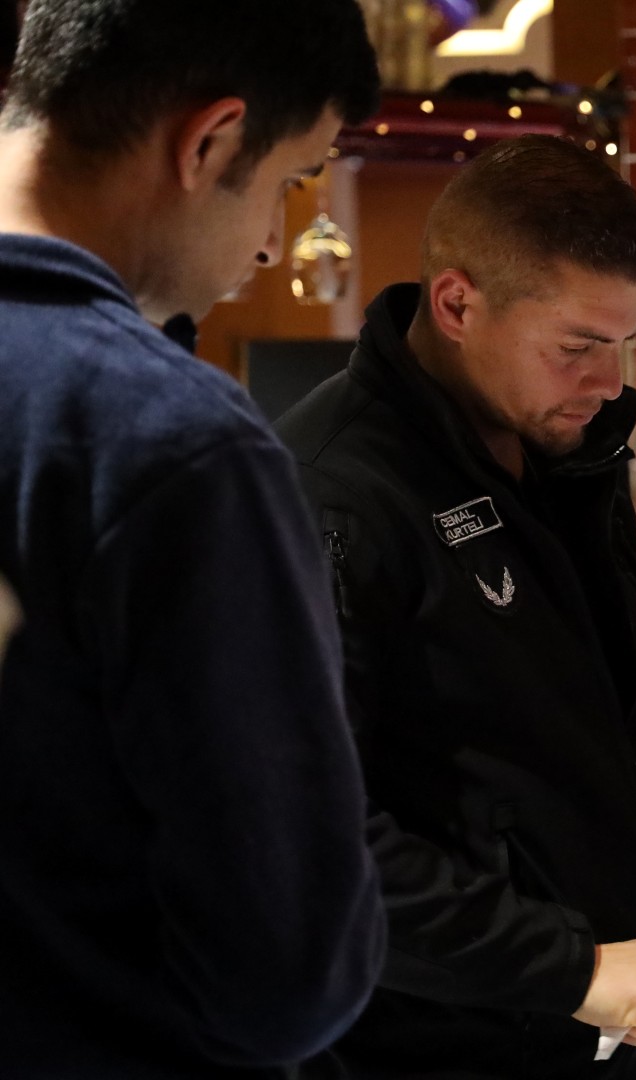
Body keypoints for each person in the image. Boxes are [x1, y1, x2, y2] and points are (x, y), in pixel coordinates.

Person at [274, 135, 636, 1079]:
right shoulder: (328, 497)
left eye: (623, 342)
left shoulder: (567, 458)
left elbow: (623, 721)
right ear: (457, 304)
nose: (609, 383)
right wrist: (576, 969)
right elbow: (312, 843)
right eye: (577, 348)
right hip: (409, 1058)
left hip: (578, 1043)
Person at [0, 1, 386, 1074]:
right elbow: (287, 973)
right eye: (290, 182)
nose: (267, 240)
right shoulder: (172, 444)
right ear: (209, 142)